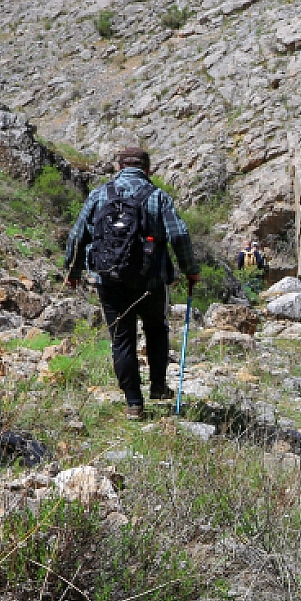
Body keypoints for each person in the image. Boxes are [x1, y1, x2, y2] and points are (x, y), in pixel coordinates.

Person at [65, 147, 198, 420]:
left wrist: (73, 271)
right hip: (151, 280)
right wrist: (190, 270)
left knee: (121, 339)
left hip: (109, 280)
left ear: (118, 167)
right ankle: (159, 387)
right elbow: (179, 235)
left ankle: (134, 403)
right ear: (148, 169)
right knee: (156, 330)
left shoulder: (99, 195)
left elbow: (78, 235)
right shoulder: (158, 197)